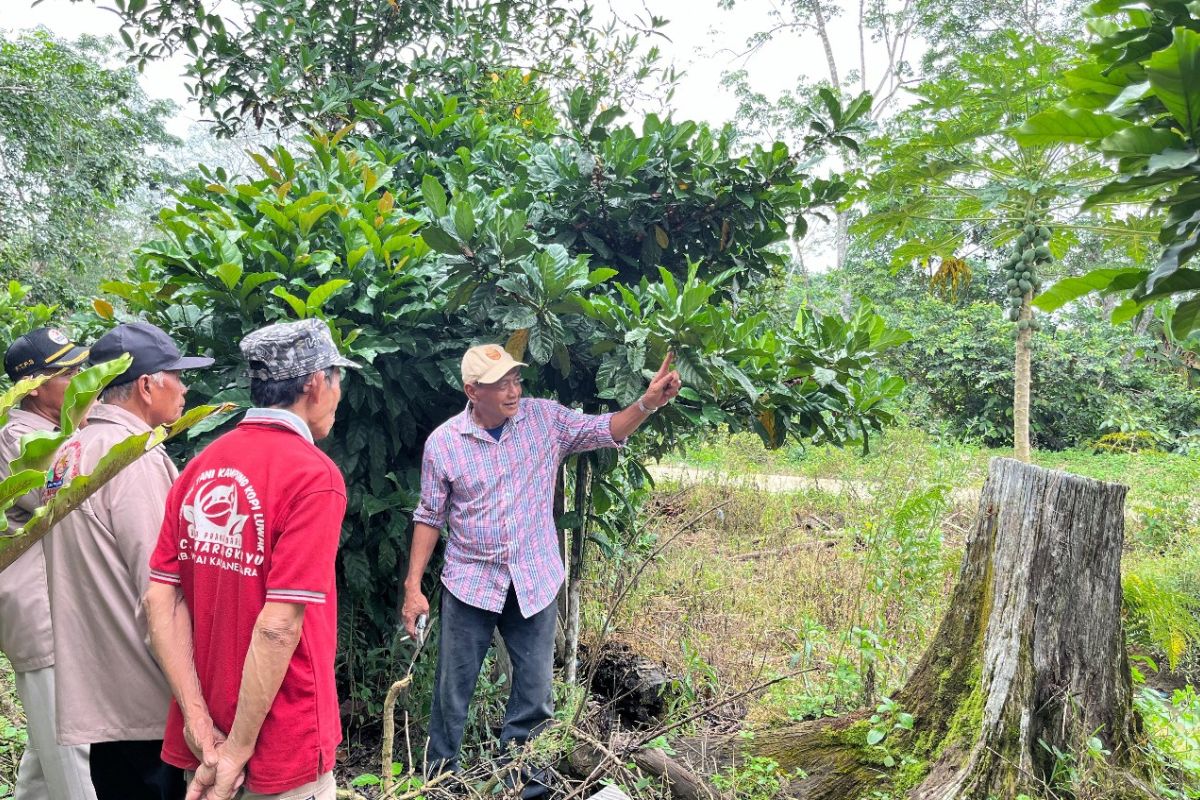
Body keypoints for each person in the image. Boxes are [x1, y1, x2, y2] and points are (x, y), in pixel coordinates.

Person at [402, 343, 682, 779]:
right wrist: (412, 587)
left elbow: (605, 428)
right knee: (452, 695)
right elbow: (429, 517)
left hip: (533, 581)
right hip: (470, 583)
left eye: (516, 380)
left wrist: (648, 402)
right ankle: (439, 783)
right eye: (500, 385)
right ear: (472, 390)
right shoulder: (445, 444)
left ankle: (525, 786)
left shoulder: (544, 420)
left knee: (535, 698)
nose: (513, 391)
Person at [146, 318, 359, 800]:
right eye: (337, 377)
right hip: (284, 736)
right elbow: (279, 625)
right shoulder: (313, 476)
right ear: (314, 383)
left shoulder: (200, 466)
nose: (339, 393)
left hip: (206, 741)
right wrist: (239, 751)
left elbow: (160, 597)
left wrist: (200, 727)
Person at [41, 321, 213, 800]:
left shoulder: (67, 452)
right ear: (147, 384)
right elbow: (159, 583)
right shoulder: (131, 457)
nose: (185, 387)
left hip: (99, 687)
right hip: (147, 699)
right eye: (177, 375)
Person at [0, 328, 98, 800]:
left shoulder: (53, 430)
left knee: (44, 765)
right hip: (43, 618)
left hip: (62, 613)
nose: (83, 382)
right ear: (34, 386)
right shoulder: (21, 438)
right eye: (70, 373)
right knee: (70, 752)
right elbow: (64, 493)